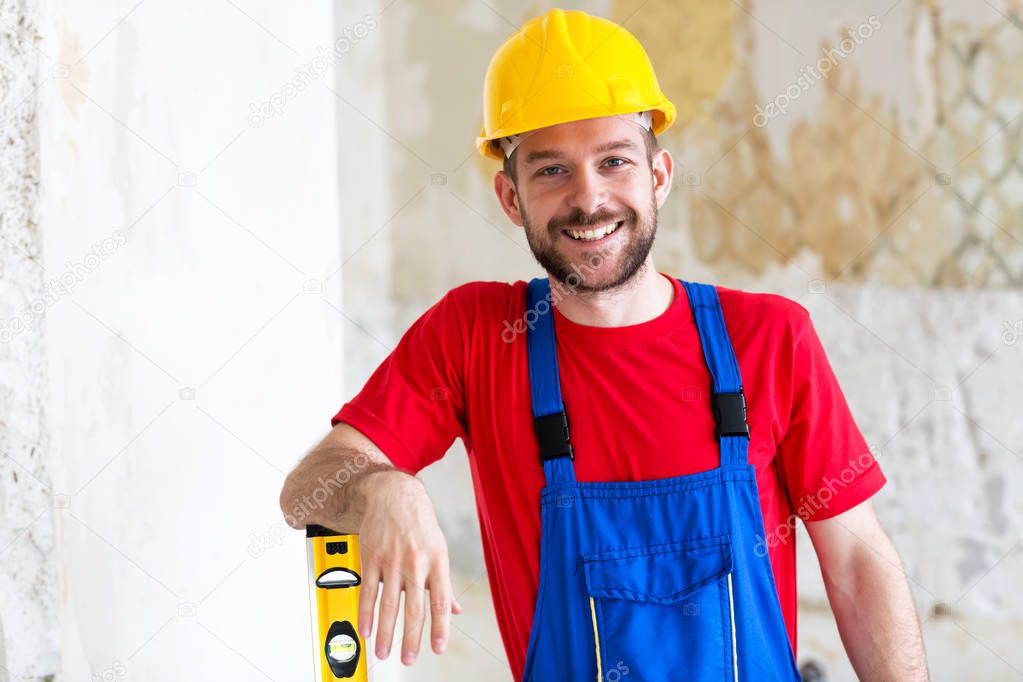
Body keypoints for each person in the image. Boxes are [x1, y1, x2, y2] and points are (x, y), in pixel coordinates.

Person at [280, 8, 929, 680]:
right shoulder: (474, 336)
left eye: (613, 161)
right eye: (551, 171)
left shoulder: (767, 338)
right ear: (510, 198)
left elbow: (855, 559)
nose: (588, 200)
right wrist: (383, 490)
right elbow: (304, 491)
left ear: (658, 174)